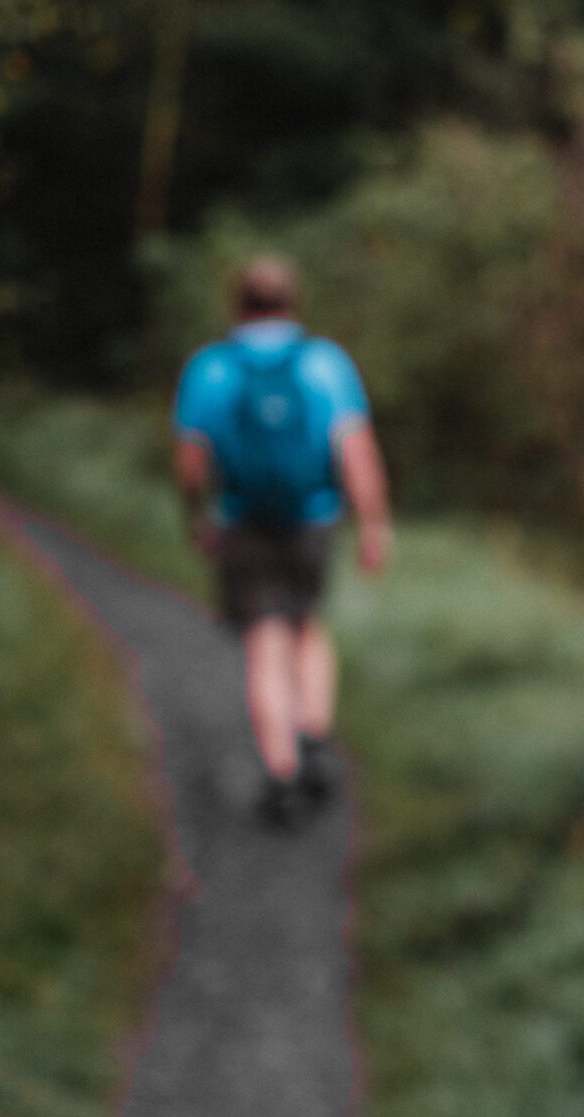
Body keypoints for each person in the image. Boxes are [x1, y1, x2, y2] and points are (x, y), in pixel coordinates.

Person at [172, 257, 391, 828]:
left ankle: (282, 769)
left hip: (241, 522)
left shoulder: (211, 368)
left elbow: (191, 464)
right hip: (312, 519)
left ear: (237, 304)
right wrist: (372, 523)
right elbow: (355, 452)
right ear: (293, 301)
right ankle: (313, 732)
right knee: (308, 627)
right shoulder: (325, 363)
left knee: (265, 643)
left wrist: (195, 517)